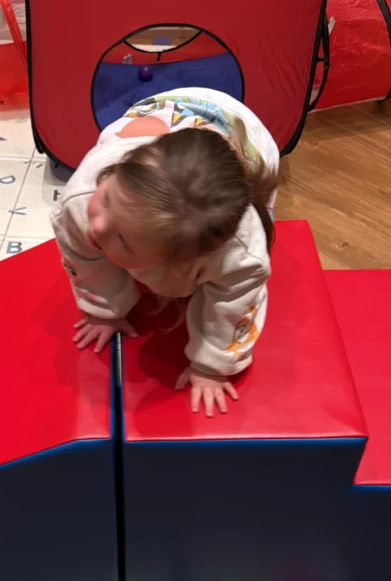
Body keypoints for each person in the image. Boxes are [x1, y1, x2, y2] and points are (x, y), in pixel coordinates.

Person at [51, 87, 279, 416]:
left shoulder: (240, 254)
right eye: (108, 199)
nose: (97, 226)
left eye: (123, 240)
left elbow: (235, 303)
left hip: (246, 134)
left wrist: (213, 366)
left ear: (183, 261)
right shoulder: (82, 195)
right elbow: (85, 261)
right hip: (163, 113)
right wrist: (104, 310)